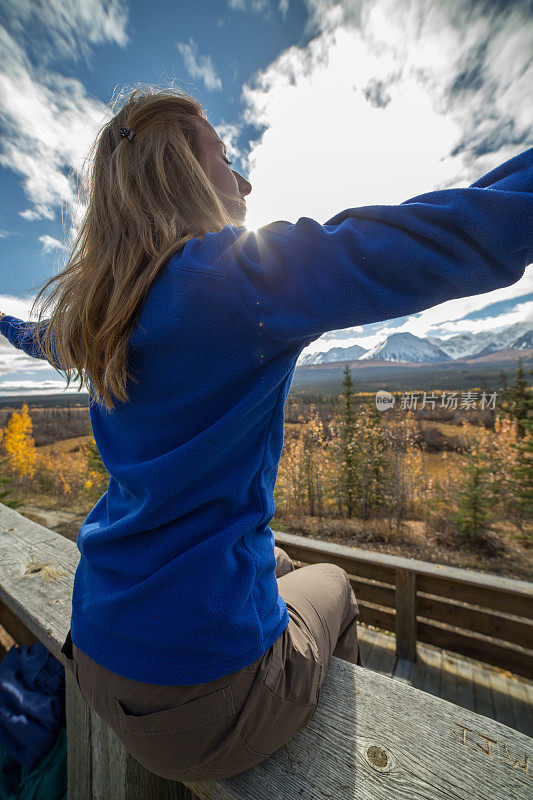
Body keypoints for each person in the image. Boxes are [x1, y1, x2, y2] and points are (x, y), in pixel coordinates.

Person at [0, 84, 532, 783]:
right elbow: (447, 234)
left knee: (276, 562)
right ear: (184, 171)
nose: (245, 180)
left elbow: (42, 337)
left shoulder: (101, 311)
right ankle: (331, 768)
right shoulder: (238, 279)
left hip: (98, 652)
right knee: (335, 584)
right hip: (202, 705)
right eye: (225, 156)